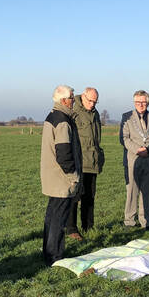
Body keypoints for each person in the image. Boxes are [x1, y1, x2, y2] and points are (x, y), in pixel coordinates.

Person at [40, 85, 83, 266]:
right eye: (72, 97)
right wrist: (73, 176)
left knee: (51, 216)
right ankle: (55, 256)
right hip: (61, 179)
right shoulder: (63, 121)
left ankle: (48, 252)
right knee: (59, 219)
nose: (74, 100)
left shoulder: (52, 116)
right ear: (64, 101)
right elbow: (64, 153)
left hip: (52, 177)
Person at [120, 90, 149, 229]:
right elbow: (124, 138)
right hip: (133, 160)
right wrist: (138, 150)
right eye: (138, 102)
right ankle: (129, 221)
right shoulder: (126, 117)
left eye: (143, 102)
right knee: (132, 192)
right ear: (134, 103)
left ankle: (146, 221)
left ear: (148, 103)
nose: (140, 104)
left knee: (148, 193)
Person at [65, 87, 104, 240]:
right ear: (83, 96)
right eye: (90, 100)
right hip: (78, 161)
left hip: (92, 161)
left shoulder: (95, 113)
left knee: (89, 196)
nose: (92, 104)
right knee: (74, 196)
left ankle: (88, 227)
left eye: (95, 101)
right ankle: (71, 228)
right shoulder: (73, 111)